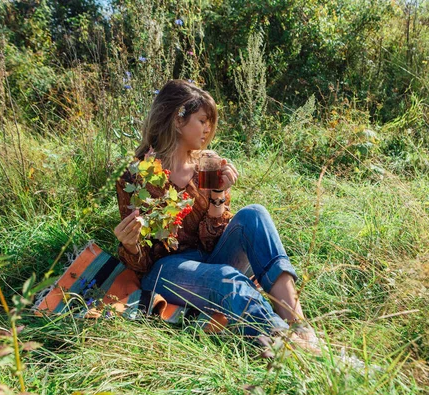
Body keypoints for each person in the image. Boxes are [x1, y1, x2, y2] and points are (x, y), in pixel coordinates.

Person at [113, 79, 319, 353]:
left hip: (208, 259)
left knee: (254, 214)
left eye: (210, 120)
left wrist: (218, 195)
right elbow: (141, 265)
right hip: (166, 270)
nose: (209, 128)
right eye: (202, 120)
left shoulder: (206, 164)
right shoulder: (137, 175)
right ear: (177, 120)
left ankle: (299, 327)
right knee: (225, 278)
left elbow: (211, 243)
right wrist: (129, 243)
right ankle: (287, 348)